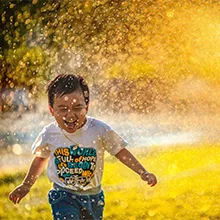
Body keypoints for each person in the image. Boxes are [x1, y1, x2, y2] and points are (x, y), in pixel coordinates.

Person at [9, 74, 157, 220]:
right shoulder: (50, 133)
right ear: (52, 110)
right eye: (63, 109)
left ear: (87, 107)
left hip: (93, 196)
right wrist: (26, 185)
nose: (70, 114)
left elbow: (120, 151)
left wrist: (142, 172)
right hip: (63, 195)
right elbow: (40, 159)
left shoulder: (99, 129)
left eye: (77, 107)